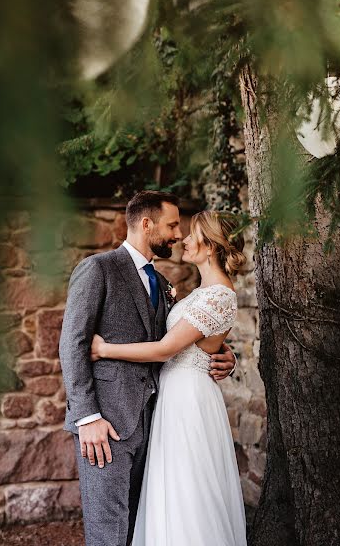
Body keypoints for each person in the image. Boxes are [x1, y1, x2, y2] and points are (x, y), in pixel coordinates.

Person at [59, 192, 236, 546]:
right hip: (106, 425)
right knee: (108, 531)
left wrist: (223, 352)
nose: (177, 235)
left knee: (145, 526)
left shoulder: (161, 282)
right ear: (146, 224)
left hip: (155, 423)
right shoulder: (100, 269)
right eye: (172, 225)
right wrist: (87, 417)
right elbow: (73, 343)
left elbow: (175, 341)